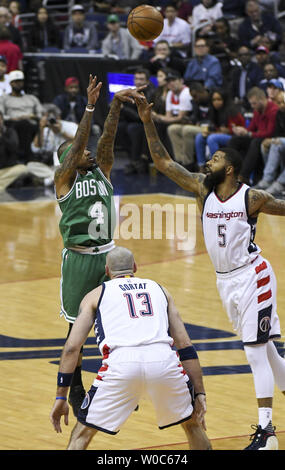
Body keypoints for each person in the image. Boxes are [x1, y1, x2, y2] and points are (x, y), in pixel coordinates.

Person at [134, 95, 285, 450]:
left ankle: (266, 434)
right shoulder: (203, 191)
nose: (209, 160)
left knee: (255, 351)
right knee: (270, 354)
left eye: (216, 158)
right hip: (225, 281)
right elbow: (164, 161)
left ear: (229, 169)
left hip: (253, 276)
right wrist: (146, 120)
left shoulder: (252, 198)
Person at [50, 246, 212, 451]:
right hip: (163, 361)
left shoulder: (95, 295)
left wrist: (61, 396)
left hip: (121, 365)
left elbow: (72, 349)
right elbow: (186, 346)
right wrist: (199, 393)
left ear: (107, 270)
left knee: (82, 434)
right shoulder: (160, 290)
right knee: (192, 425)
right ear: (135, 267)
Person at [54, 74, 146, 418]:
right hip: (78, 261)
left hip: (108, 256)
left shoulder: (101, 170)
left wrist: (116, 106)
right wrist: (89, 106)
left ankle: (119, 383)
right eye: (81, 151)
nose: (89, 151)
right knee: (76, 328)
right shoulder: (63, 179)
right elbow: (78, 144)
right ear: (69, 159)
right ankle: (75, 390)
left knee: (121, 320)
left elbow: (106, 138)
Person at [228, 86, 279, 184]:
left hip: (269, 138)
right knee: (235, 140)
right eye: (251, 103)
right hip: (258, 137)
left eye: (254, 103)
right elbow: (251, 129)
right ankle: (229, 171)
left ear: (262, 100)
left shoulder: (273, 110)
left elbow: (270, 132)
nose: (252, 106)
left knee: (255, 142)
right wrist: (242, 131)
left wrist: (249, 133)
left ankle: (243, 175)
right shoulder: (257, 110)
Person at [30, 103, 77, 187]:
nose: (53, 119)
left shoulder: (71, 126)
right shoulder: (46, 129)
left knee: (57, 153)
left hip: (69, 162)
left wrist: (61, 131)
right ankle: (55, 178)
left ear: (59, 116)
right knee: (30, 166)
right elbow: (35, 149)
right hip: (52, 166)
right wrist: (41, 128)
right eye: (49, 117)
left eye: (55, 116)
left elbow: (79, 142)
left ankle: (50, 180)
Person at [0, 69, 43, 163]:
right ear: (10, 83)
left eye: (20, 81)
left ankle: (34, 156)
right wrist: (15, 118)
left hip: (32, 123)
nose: (18, 84)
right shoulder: (4, 98)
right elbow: (2, 115)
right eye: (16, 82)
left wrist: (33, 116)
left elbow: (40, 113)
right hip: (12, 123)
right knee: (23, 124)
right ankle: (26, 156)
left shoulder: (31, 98)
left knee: (30, 124)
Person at [194, 89, 245, 167]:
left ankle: (216, 166)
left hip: (234, 137)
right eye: (214, 100)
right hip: (220, 134)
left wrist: (228, 130)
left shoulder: (232, 110)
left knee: (212, 138)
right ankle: (201, 165)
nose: (216, 102)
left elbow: (239, 128)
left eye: (219, 99)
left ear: (224, 100)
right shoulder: (213, 111)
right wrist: (210, 132)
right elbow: (217, 129)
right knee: (200, 137)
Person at [254, 90, 285, 195]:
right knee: (268, 145)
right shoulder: (279, 114)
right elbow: (276, 133)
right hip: (282, 143)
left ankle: (280, 183)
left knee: (277, 142)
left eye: (283, 102)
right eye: (279, 102)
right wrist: (272, 140)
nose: (281, 105)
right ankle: (268, 179)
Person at [230, 45, 263, 111]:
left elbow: (257, 87)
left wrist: (244, 99)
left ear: (250, 56)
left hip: (253, 103)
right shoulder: (236, 71)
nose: (243, 57)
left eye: (246, 55)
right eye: (241, 55)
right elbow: (233, 88)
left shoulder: (256, 69)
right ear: (238, 57)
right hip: (238, 104)